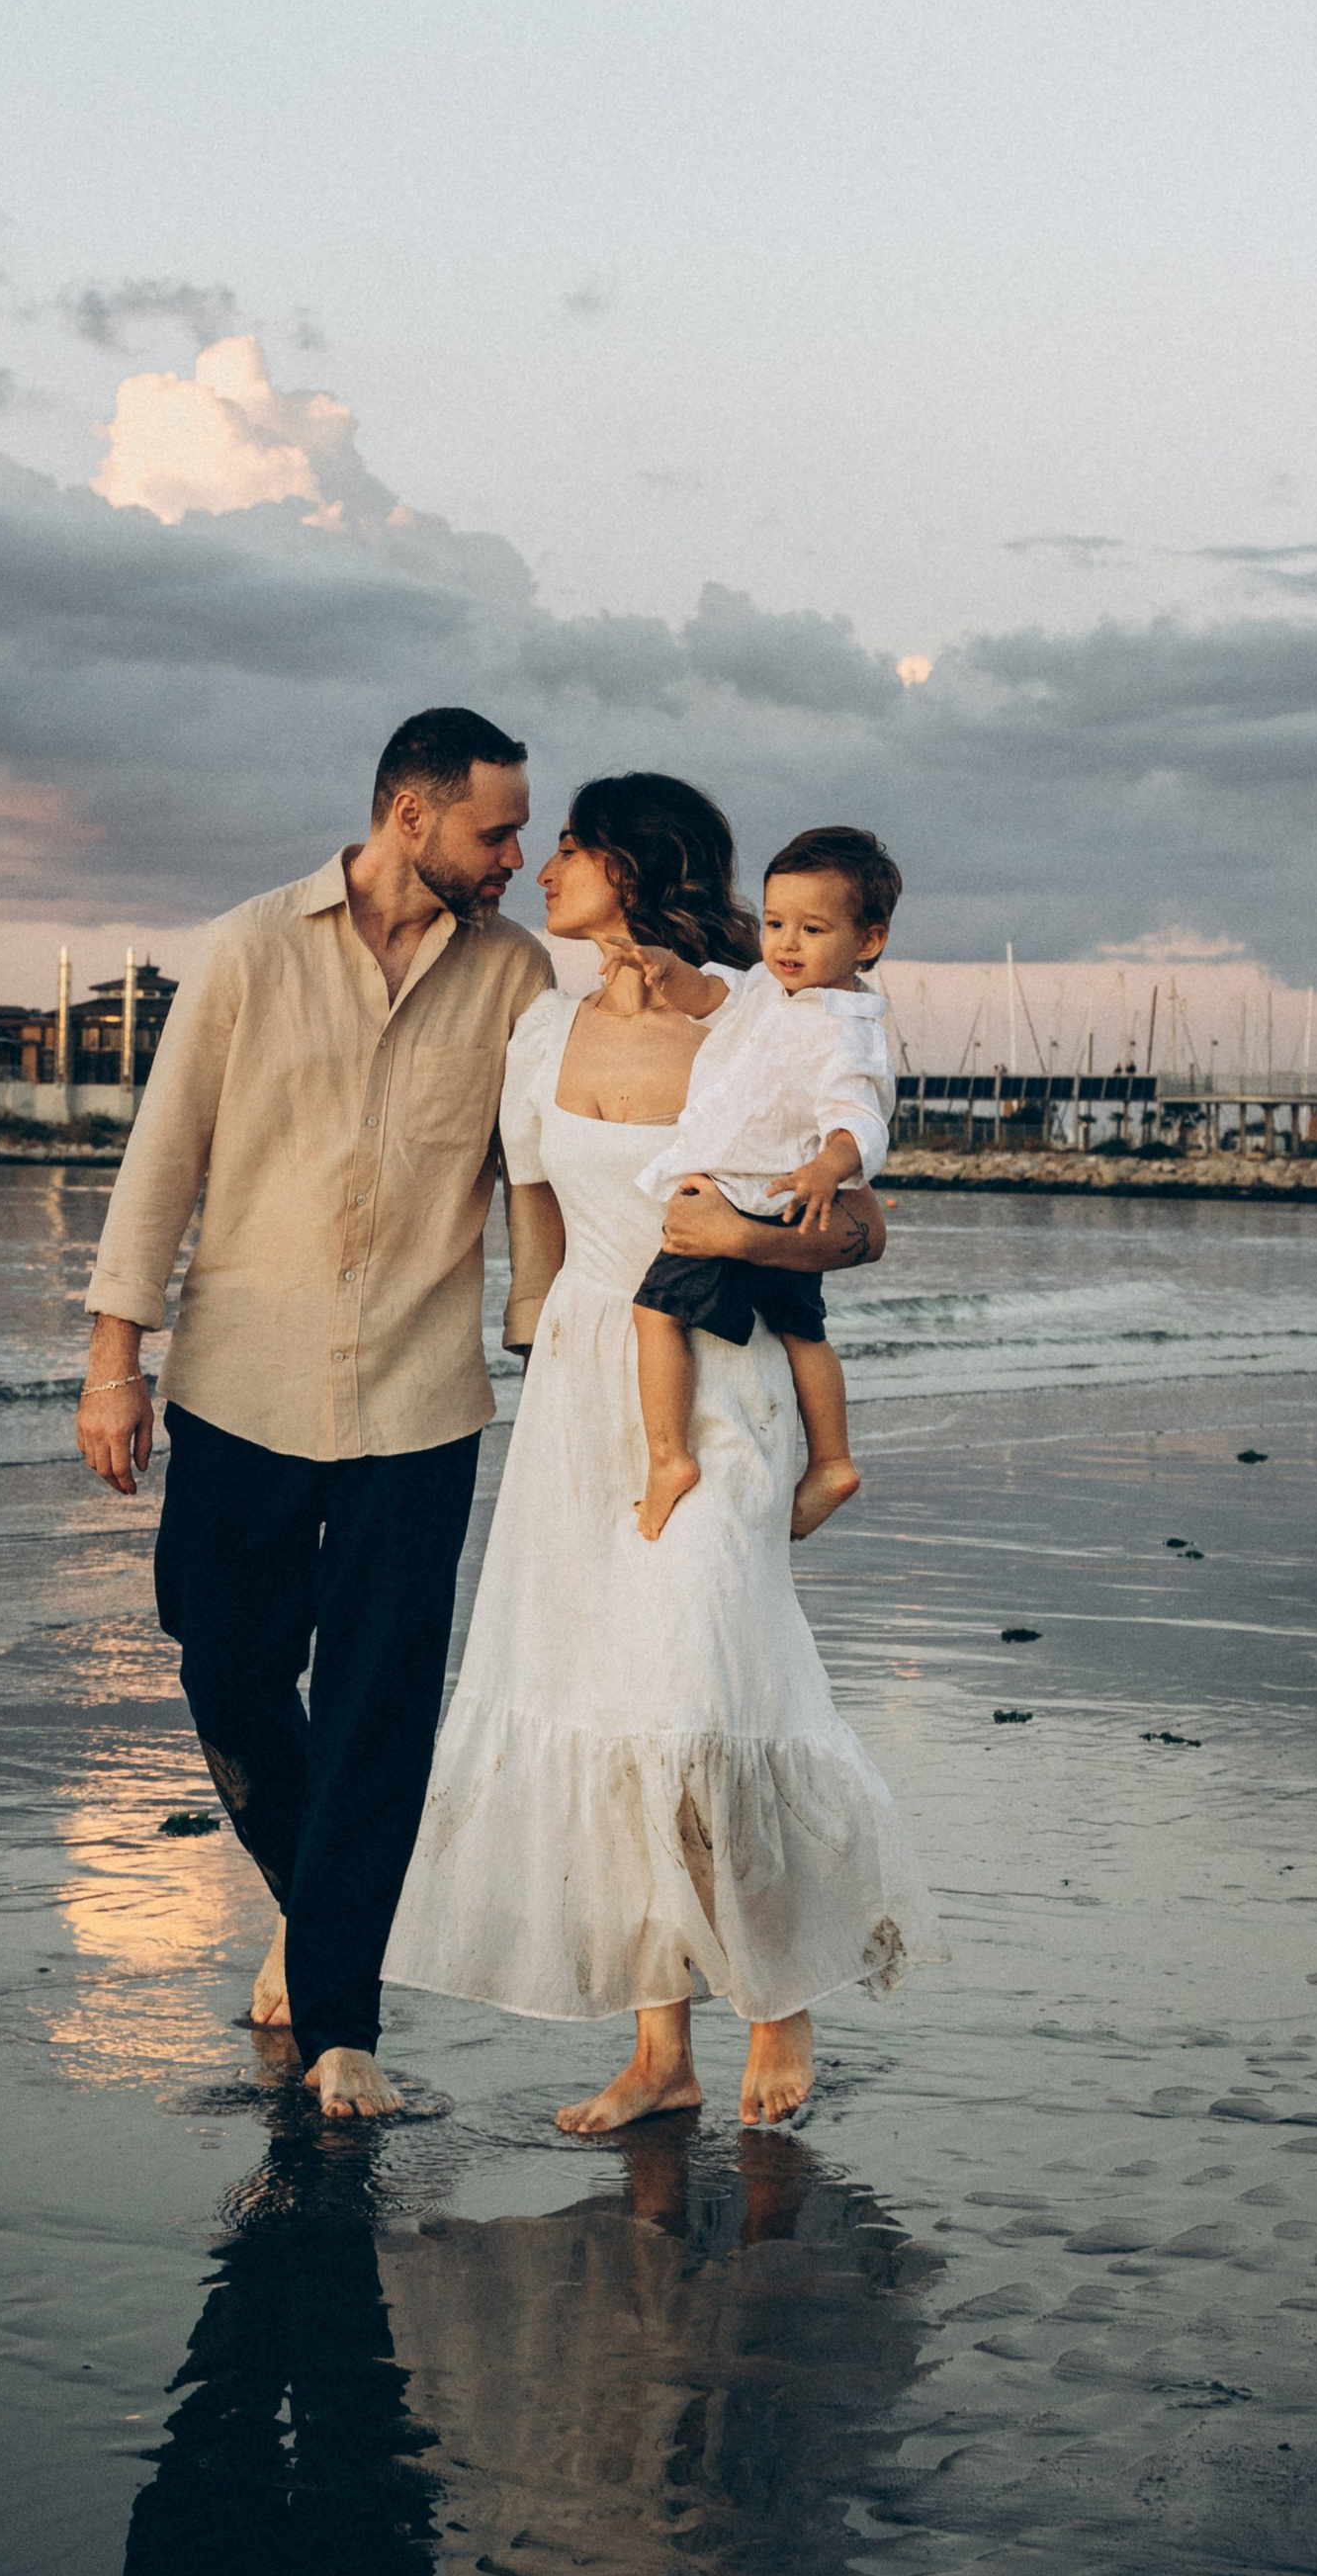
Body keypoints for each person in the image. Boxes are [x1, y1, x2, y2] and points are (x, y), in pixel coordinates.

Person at [386, 770, 936, 2136]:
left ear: (633, 869)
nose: (544, 867)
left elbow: (858, 1227)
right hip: (591, 1386)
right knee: (612, 1703)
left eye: (566, 847)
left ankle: (777, 2004)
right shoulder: (543, 1031)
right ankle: (657, 2050)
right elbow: (536, 1234)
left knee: (704, 1691)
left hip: (727, 1380)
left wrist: (747, 1242)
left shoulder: (761, 1017)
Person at [76, 705, 553, 2122]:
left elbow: (538, 1169)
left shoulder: (518, 977)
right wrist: (116, 1359)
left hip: (419, 1395)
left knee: (379, 1711)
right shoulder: (245, 950)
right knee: (222, 1667)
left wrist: (558, 1335)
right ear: (411, 814)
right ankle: (322, 1899)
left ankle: (345, 2019)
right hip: (239, 1383)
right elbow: (164, 1158)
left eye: (523, 833)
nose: (516, 856)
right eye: (497, 828)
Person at [629, 824, 903, 1546]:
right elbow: (706, 996)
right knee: (801, 1331)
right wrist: (666, 968)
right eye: (776, 922)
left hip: (755, 1197)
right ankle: (834, 1461)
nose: (786, 942)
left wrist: (827, 1167)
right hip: (781, 1205)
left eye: (812, 929)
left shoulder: (847, 1032)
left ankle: (667, 1458)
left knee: (656, 1314)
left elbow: (858, 1119)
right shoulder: (763, 989)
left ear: (867, 941)